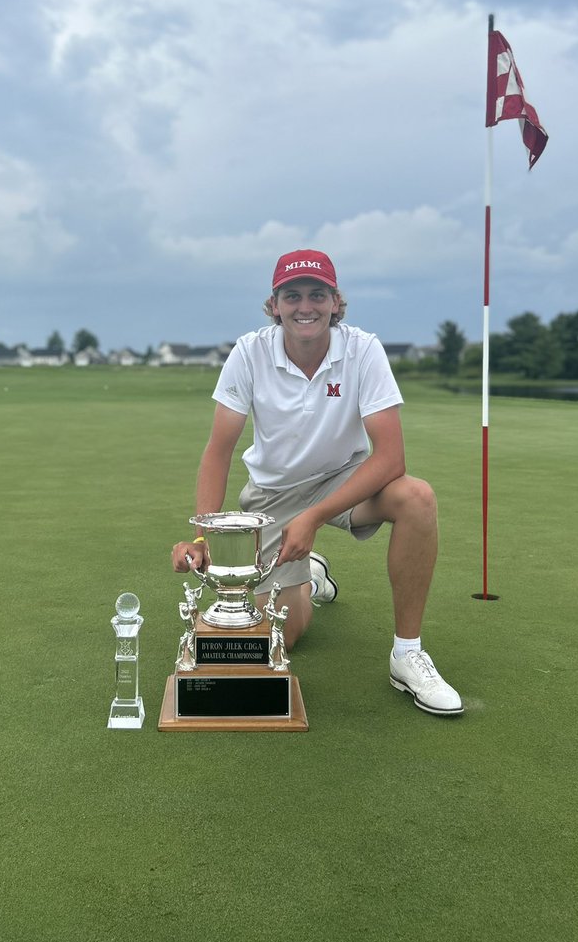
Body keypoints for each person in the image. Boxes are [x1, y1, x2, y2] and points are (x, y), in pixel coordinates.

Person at [171, 248, 463, 717]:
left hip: (346, 479)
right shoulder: (249, 352)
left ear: (335, 302)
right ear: (274, 305)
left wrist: (314, 516)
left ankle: (407, 654)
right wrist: (203, 536)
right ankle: (310, 577)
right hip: (273, 494)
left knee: (417, 497)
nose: (304, 306)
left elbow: (391, 457)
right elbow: (218, 450)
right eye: (292, 296)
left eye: (316, 295)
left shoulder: (363, 349)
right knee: (281, 635)